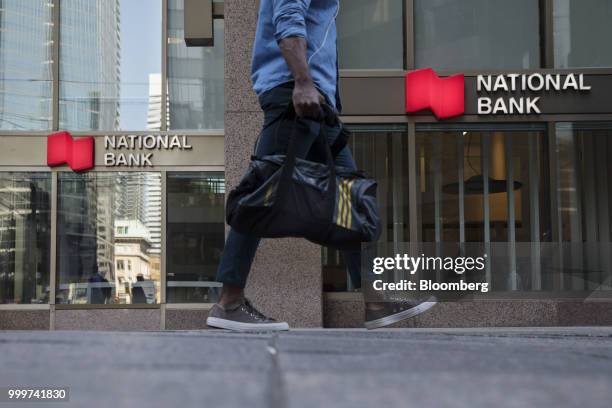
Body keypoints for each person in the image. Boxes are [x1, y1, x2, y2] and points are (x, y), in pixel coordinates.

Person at [206, 0, 436, 331]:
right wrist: (302, 82)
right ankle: (228, 302)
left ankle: (376, 301)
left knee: (351, 201)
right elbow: (288, 19)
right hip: (295, 95)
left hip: (317, 102)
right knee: (259, 194)